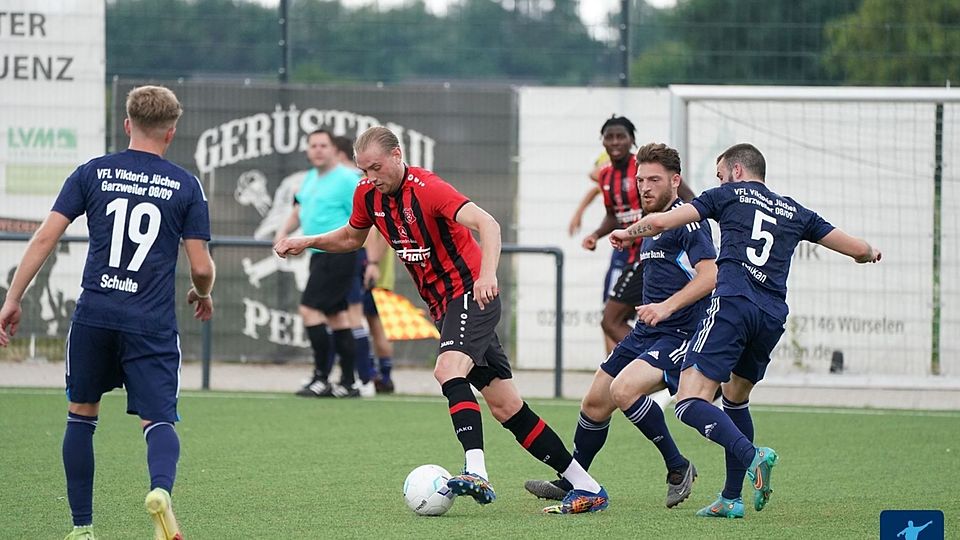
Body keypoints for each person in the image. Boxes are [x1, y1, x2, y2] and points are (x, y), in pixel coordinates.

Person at [275, 126, 609, 514]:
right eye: (364, 170)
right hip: (444, 307)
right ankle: (587, 486)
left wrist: (488, 274)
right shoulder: (367, 193)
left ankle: (476, 470)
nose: (370, 177)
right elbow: (352, 237)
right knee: (506, 407)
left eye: (377, 168)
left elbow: (489, 224)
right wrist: (306, 240)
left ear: (398, 155)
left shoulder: (428, 189)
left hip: (472, 295)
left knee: (448, 370)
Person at [611, 143, 881, 518]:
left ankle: (753, 456)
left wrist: (627, 233)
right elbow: (856, 248)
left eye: (720, 174)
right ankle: (731, 498)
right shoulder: (795, 210)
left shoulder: (728, 194)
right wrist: (868, 253)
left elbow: (658, 222)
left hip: (733, 305)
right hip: (770, 317)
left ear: (736, 171)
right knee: (736, 399)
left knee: (689, 401)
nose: (719, 180)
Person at [0, 85, 214, 540]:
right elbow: (200, 266)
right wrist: (203, 293)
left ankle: (82, 528)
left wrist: (13, 297)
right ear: (172, 132)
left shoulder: (92, 172)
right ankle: (159, 492)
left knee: (81, 415)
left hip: (94, 315)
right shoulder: (185, 185)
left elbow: (43, 238)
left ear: (127, 123)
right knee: (158, 419)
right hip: (150, 323)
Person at [525, 143, 717, 508]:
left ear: (675, 181)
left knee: (624, 390)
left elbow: (709, 276)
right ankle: (577, 480)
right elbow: (648, 225)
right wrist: (626, 234)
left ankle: (678, 467)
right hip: (649, 331)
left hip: (682, 332)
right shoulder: (654, 221)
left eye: (655, 180)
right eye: (640, 179)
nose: (645, 187)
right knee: (594, 403)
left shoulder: (688, 221)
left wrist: (665, 307)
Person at [275, 129, 361, 398]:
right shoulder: (310, 178)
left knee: (309, 309)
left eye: (324, 145)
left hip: (339, 253)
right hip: (318, 254)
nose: (318, 150)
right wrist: (283, 233)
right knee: (337, 316)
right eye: (313, 145)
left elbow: (363, 217)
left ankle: (321, 378)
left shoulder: (349, 179)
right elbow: (300, 210)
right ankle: (348, 382)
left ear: (335, 150)